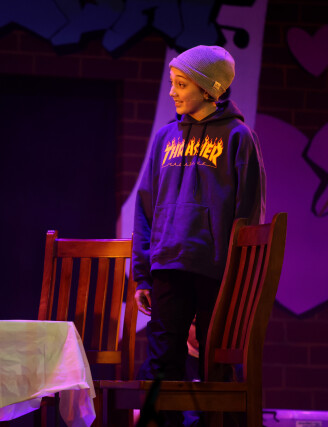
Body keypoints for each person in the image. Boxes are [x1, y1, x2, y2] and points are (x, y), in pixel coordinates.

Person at [132, 45, 266, 426]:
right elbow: (146, 207)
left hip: (216, 269)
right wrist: (143, 273)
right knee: (162, 361)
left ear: (209, 89)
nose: (172, 92)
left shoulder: (238, 137)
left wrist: (240, 279)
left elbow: (248, 213)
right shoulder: (165, 138)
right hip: (168, 265)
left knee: (216, 363)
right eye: (172, 83)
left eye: (181, 84)